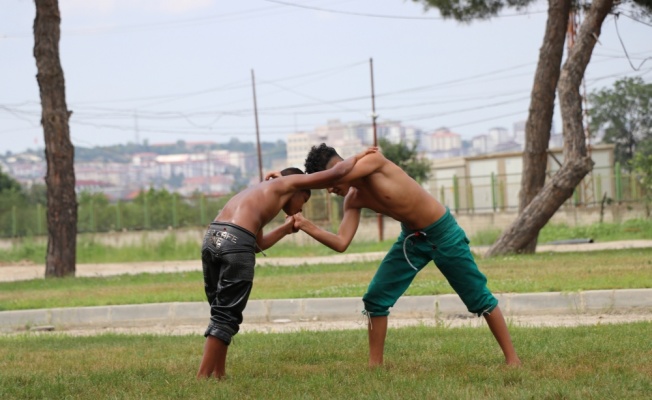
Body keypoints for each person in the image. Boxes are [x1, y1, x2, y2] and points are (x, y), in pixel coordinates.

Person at [275, 143, 521, 367]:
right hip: (412, 240)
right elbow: (341, 243)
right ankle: (375, 365)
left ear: (340, 166)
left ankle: (513, 360)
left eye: (331, 182)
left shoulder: (373, 161)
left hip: (443, 234)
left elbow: (339, 174)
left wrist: (295, 181)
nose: (330, 189)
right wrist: (307, 225)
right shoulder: (353, 199)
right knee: (375, 298)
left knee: (479, 298)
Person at [196, 147, 377, 379]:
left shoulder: (259, 192)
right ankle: (202, 378)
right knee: (226, 315)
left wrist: (284, 230)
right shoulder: (290, 183)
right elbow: (336, 173)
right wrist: (360, 156)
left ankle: (218, 373)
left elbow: (256, 244)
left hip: (213, 238)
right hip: (236, 242)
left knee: (220, 310)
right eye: (305, 199)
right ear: (298, 187)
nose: (302, 207)